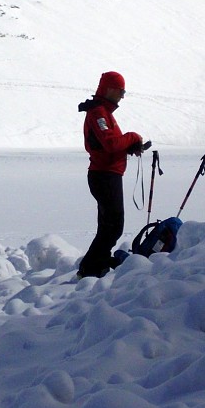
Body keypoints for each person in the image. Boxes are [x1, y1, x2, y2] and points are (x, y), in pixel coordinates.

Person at [76, 71, 145, 279]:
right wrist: (132, 137)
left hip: (107, 175)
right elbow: (110, 143)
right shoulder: (99, 113)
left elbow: (110, 145)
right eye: (121, 91)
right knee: (114, 225)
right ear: (110, 89)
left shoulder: (104, 112)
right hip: (104, 176)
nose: (123, 96)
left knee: (108, 225)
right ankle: (89, 269)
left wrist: (128, 148)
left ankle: (100, 262)